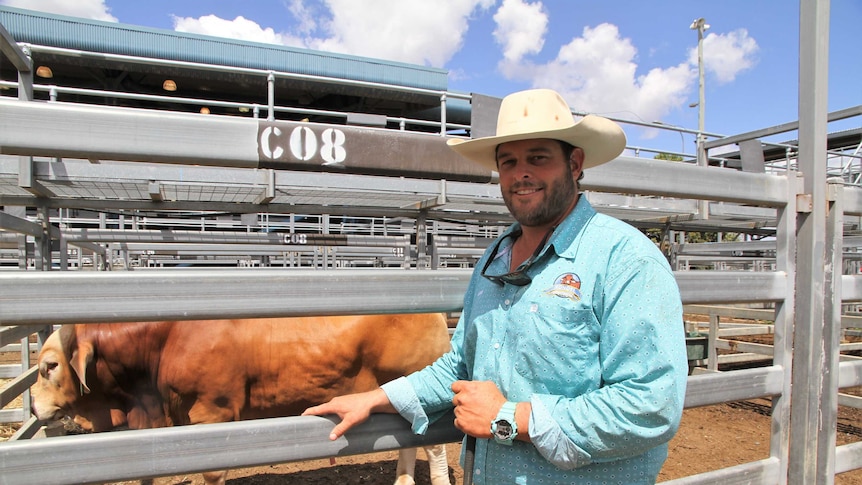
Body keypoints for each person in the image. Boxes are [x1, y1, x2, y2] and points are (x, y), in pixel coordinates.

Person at [304, 88, 688, 484]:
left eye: (538, 158)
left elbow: (651, 405)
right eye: (508, 162)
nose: (521, 173)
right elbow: (462, 365)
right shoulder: (496, 258)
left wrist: (510, 418)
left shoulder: (625, 259)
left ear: (574, 163)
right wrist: (380, 397)